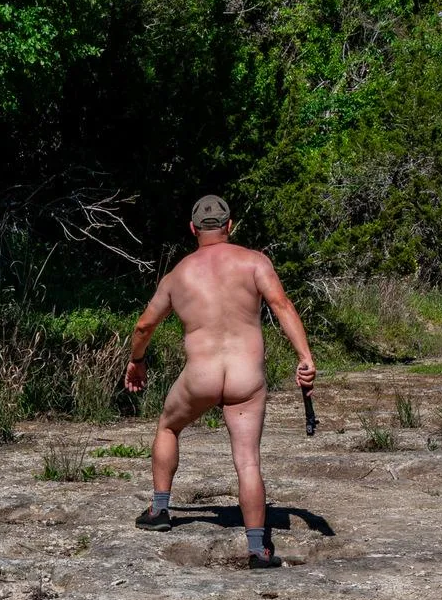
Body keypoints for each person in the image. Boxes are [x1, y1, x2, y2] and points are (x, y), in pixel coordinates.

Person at [123, 195, 315, 569]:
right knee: (247, 462)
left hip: (201, 375)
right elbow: (282, 306)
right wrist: (305, 358)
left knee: (168, 426)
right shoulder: (254, 262)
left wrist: (137, 361)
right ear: (231, 226)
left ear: (192, 229)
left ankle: (160, 510)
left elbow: (144, 324)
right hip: (246, 377)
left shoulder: (178, 275)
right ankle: (258, 549)